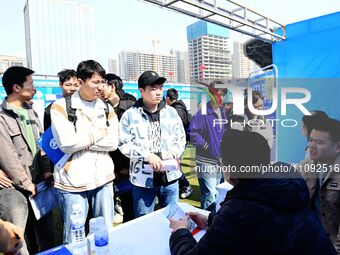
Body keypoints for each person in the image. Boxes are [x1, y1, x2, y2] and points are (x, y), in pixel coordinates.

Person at [169, 130, 336, 255]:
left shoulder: (240, 209)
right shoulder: (287, 185)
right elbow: (266, 223)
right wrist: (211, 220)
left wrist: (180, 231)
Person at [50, 60, 118, 243]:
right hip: (72, 183)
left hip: (103, 179)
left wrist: (81, 140)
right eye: (96, 82)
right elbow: (66, 143)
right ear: (80, 82)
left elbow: (113, 142)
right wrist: (97, 134)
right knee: (74, 238)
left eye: (102, 82)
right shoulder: (60, 107)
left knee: (105, 234)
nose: (101, 87)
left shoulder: (106, 107)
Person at [0, 66, 53, 254]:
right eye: (31, 84)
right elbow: (8, 156)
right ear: (16, 87)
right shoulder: (2, 117)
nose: (35, 88)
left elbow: (41, 144)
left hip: (38, 181)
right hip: (14, 187)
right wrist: (25, 183)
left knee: (47, 232)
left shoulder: (31, 110)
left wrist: (46, 169)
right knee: (17, 240)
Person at [119, 70, 186, 217]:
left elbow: (181, 139)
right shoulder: (130, 115)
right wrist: (147, 156)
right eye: (153, 88)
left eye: (160, 88)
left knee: (174, 220)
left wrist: (173, 153)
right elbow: (124, 143)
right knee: (144, 221)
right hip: (142, 180)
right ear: (141, 90)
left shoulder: (171, 113)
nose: (158, 92)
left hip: (170, 177)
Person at [297, 118, 340, 253]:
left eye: (319, 142)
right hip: (308, 241)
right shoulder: (303, 167)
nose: (312, 145)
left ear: (338, 147)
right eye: (310, 140)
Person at [189, 80, 227, 212]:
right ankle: (205, 224)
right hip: (206, 161)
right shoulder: (202, 112)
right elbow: (192, 133)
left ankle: (216, 221)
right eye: (217, 94)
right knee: (210, 194)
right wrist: (206, 145)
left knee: (220, 193)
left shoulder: (223, 112)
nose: (219, 97)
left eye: (222, 94)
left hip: (221, 160)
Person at [106, 73, 136, 223]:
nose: (99, 88)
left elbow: (135, 139)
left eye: (102, 84)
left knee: (131, 207)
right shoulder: (101, 106)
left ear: (111, 87)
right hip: (111, 167)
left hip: (129, 167)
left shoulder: (131, 105)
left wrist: (126, 167)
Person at [166, 88, 193, 199]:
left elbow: (176, 130)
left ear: (168, 98)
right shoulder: (181, 108)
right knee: (174, 166)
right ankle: (184, 185)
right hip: (182, 141)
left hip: (177, 143)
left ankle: (186, 185)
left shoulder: (175, 111)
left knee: (174, 166)